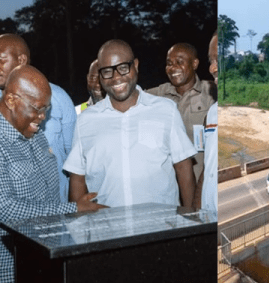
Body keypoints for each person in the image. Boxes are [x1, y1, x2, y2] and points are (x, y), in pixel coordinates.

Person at [0, 65, 104, 283]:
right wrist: (72, 209)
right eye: (37, 109)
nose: (42, 118)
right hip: (7, 272)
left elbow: (49, 191)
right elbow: (5, 209)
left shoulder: (35, 134)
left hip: (43, 262)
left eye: (46, 109)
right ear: (10, 100)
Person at [63, 39, 197, 208]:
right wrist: (78, 226)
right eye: (107, 71)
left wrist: (193, 220)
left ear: (136, 65)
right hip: (108, 228)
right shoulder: (85, 120)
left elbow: (184, 168)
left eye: (123, 68)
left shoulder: (165, 110)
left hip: (161, 226)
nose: (116, 77)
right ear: (100, 75)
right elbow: (77, 178)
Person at [0, 33, 77, 203]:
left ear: (21, 60)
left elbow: (74, 157)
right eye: (37, 109)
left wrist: (72, 206)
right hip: (18, 215)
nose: (41, 117)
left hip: (58, 203)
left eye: (2, 61)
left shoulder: (59, 97)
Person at [145, 43, 216, 182]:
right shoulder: (159, 94)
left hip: (203, 182)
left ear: (194, 64)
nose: (173, 68)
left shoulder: (211, 93)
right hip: (168, 188)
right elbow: (129, 96)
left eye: (179, 62)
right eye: (169, 63)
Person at [193, 31, 218, 214]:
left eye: (218, 59)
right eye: (211, 61)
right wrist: (196, 212)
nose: (212, 68)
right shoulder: (212, 114)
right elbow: (207, 169)